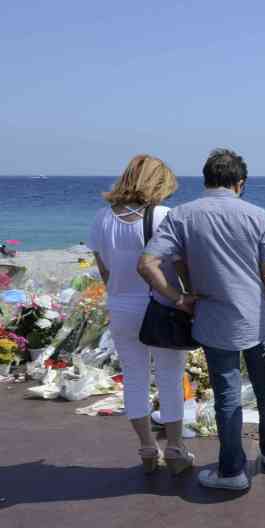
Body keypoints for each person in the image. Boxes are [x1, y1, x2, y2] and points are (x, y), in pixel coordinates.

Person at [139, 148, 265, 491]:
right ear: (240, 183)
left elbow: (147, 264)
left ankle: (231, 472)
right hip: (257, 322)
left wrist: (179, 298)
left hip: (213, 322)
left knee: (227, 397)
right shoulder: (259, 216)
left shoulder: (182, 216)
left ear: (205, 181)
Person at [88, 155, 191, 474]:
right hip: (160, 306)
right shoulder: (163, 215)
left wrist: (120, 293)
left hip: (120, 307)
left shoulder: (102, 218)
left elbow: (103, 270)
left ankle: (147, 449)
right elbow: (178, 264)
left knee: (134, 378)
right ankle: (175, 450)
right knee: (170, 378)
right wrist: (186, 297)